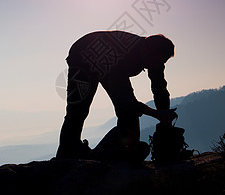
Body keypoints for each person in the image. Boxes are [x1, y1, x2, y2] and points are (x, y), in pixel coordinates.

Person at [56, 30, 177, 160]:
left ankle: (128, 149)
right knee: (78, 110)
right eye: (158, 61)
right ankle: (65, 155)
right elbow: (126, 101)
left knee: (128, 112)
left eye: (163, 61)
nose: (160, 65)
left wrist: (165, 116)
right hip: (83, 58)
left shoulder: (153, 56)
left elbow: (160, 89)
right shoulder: (120, 57)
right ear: (146, 52)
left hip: (103, 56)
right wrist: (158, 114)